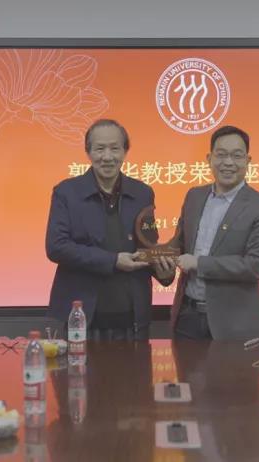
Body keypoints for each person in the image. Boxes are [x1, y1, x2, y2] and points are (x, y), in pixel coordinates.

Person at [46, 119, 173, 340]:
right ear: (88, 152)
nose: (107, 157)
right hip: (83, 317)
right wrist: (113, 260)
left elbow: (148, 244)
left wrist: (164, 269)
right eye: (99, 149)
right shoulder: (67, 192)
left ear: (125, 151)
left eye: (115, 148)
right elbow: (56, 247)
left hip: (133, 318)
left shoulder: (142, 193)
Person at [169, 125, 259, 340]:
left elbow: (255, 265)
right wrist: (151, 255)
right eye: (221, 155)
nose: (228, 162)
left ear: (248, 161)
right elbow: (180, 243)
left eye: (236, 156)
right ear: (209, 159)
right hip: (187, 316)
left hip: (234, 324)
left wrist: (199, 263)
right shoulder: (194, 196)